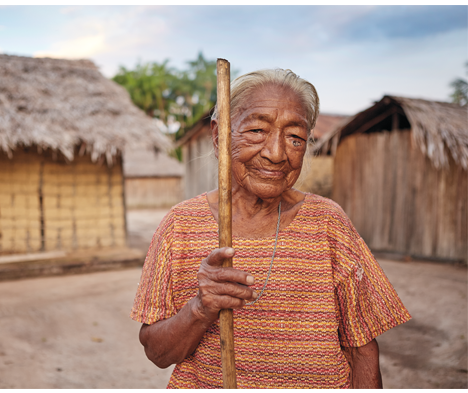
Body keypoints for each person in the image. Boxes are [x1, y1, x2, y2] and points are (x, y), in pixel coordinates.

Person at [130, 68, 411, 389]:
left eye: (295, 137)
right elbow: (157, 352)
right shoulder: (180, 225)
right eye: (257, 131)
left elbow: (362, 350)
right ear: (219, 135)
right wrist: (201, 308)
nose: (276, 153)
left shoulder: (328, 221)